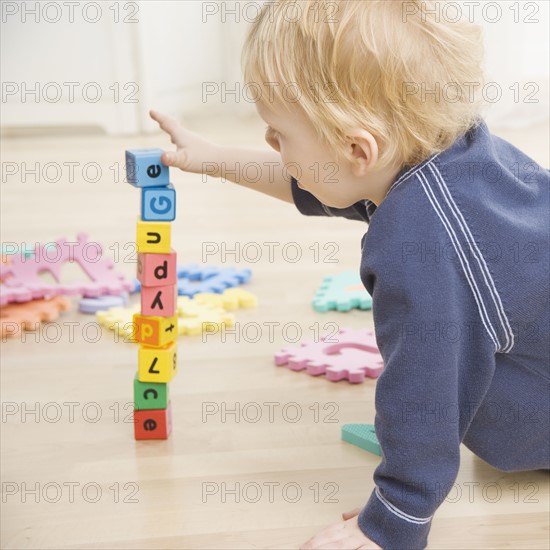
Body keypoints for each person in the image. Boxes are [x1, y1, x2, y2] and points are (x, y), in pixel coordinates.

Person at [150, 1, 550, 548]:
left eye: (278, 135)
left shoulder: (423, 241)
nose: (274, 147)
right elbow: (316, 182)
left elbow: (428, 388)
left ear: (359, 148)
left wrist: (393, 521)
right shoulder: (453, 157)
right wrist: (213, 157)